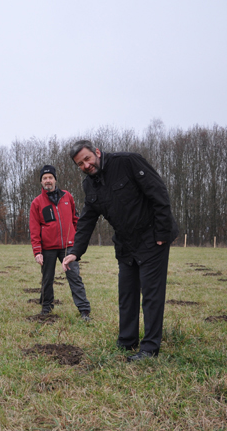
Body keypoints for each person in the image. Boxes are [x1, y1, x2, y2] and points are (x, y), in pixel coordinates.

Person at [62, 140, 179, 362]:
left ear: (96, 152)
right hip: (126, 244)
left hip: (152, 237)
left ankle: (149, 349)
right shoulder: (90, 185)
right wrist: (75, 251)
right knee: (127, 293)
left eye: (87, 159)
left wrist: (162, 234)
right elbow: (87, 219)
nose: (86, 166)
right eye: (80, 164)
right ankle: (127, 341)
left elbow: (159, 192)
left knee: (152, 296)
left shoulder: (127, 162)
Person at [29, 165, 91, 320]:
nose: (48, 181)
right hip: (47, 248)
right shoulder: (36, 203)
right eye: (44, 178)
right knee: (47, 279)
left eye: (50, 177)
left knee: (74, 277)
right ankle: (46, 308)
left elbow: (76, 219)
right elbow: (34, 229)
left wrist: (77, 241)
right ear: (41, 182)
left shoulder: (67, 197)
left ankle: (84, 310)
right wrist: (37, 251)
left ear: (55, 179)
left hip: (68, 247)